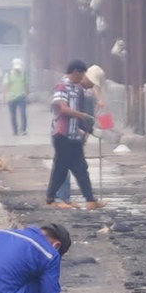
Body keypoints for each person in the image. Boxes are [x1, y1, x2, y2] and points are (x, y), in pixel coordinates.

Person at [46, 59, 100, 207]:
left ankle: (90, 200)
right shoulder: (62, 87)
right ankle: (51, 198)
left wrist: (86, 128)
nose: (82, 77)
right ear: (75, 71)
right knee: (61, 169)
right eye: (81, 73)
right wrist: (83, 116)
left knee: (81, 168)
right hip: (62, 135)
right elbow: (63, 109)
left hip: (74, 135)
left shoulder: (77, 88)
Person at [4, 56, 30, 135]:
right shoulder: (8, 75)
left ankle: (23, 130)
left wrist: (27, 95)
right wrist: (5, 96)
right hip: (11, 98)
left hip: (21, 96)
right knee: (13, 115)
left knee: (23, 113)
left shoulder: (24, 74)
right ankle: (15, 131)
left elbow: (26, 85)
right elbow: (5, 86)